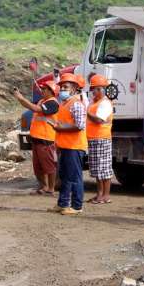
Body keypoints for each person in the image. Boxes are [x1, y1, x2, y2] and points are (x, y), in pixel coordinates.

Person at [46, 73, 87, 216]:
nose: (62, 89)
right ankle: (63, 203)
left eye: (65, 87)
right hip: (66, 146)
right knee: (65, 176)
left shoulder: (76, 104)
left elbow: (80, 125)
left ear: (74, 88)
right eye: (61, 86)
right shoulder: (65, 104)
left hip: (74, 147)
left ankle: (76, 206)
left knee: (75, 177)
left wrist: (59, 128)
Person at [12, 81, 59, 195]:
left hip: (46, 140)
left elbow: (36, 109)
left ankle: (51, 188)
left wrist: (21, 98)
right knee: (38, 167)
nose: (42, 91)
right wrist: (20, 99)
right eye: (42, 89)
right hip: (37, 138)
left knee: (49, 166)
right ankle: (44, 186)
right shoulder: (42, 101)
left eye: (45, 89)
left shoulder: (53, 103)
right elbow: (31, 107)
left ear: (51, 91)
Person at [86, 75, 114, 204]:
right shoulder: (94, 102)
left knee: (104, 169)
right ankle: (99, 195)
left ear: (101, 89)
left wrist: (86, 113)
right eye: (92, 89)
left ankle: (106, 195)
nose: (93, 92)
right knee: (97, 169)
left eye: (95, 89)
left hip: (102, 139)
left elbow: (98, 120)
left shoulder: (105, 103)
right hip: (94, 139)